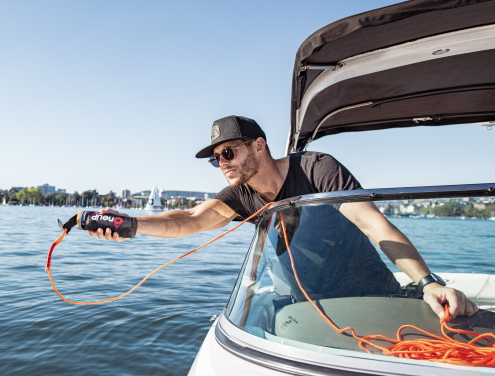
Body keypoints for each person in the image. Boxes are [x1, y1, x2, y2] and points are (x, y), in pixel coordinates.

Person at [91, 115, 478, 320]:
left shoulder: (318, 170)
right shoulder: (240, 195)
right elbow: (190, 220)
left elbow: (373, 224)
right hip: (306, 305)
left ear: (258, 146)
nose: (221, 164)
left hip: (370, 291)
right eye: (216, 158)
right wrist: (133, 224)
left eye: (229, 153)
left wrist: (427, 282)